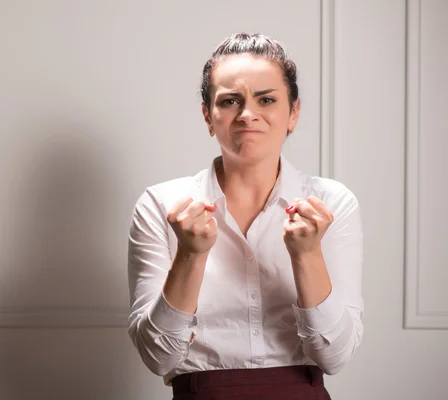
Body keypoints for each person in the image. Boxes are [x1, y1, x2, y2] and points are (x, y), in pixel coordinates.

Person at [126, 33, 363, 399]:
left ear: (293, 113)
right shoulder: (160, 205)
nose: (248, 113)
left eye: (266, 99)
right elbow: (158, 357)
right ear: (208, 115)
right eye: (230, 101)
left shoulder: (332, 203)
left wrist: (307, 255)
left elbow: (335, 356)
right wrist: (190, 255)